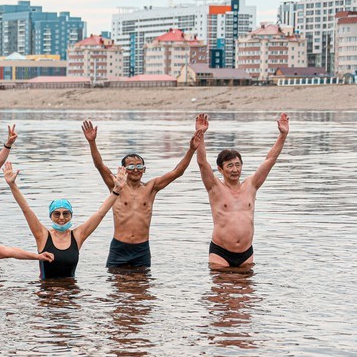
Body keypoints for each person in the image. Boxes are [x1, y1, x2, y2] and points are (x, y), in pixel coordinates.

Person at [81, 119, 203, 268]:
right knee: (117, 289)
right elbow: (99, 165)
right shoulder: (116, 185)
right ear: (124, 169)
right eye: (131, 166)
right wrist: (92, 142)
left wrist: (191, 149)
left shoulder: (151, 187)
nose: (136, 169)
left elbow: (178, 172)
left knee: (143, 289)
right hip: (119, 247)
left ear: (144, 170)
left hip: (142, 249)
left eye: (139, 166)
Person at [195, 113, 289, 269]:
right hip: (220, 252)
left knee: (248, 292)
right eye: (230, 166)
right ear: (220, 169)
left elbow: (270, 160)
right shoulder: (215, 187)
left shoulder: (251, 185)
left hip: (246, 253)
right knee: (219, 291)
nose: (235, 169)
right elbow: (202, 162)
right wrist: (200, 134)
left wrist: (283, 135)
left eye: (238, 165)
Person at [2, 162, 128, 279]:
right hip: (47, 293)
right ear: (50, 216)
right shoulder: (42, 235)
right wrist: (12, 185)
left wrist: (116, 190)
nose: (61, 218)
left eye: (65, 214)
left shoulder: (78, 236)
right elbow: (26, 209)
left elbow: (100, 214)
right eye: (56, 214)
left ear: (71, 215)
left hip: (71, 292)